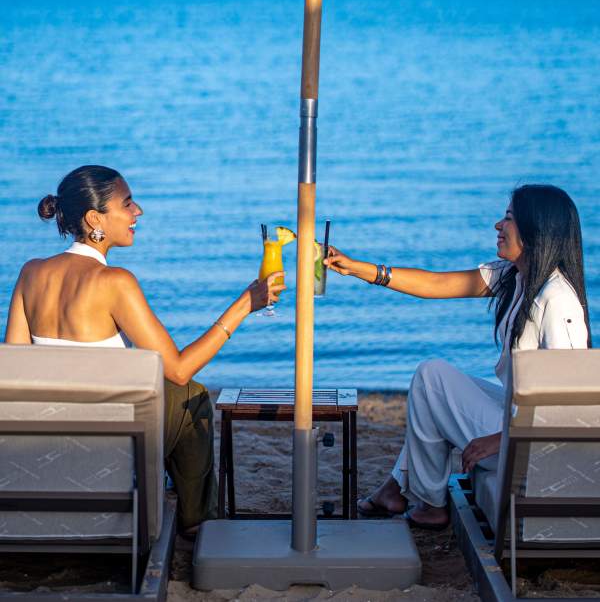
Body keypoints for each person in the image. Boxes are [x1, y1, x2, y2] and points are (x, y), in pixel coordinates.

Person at [4, 164, 286, 535]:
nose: (138, 212)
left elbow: (15, 369)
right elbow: (180, 369)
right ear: (94, 218)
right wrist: (244, 305)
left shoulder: (31, 273)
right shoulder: (113, 282)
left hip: (47, 447)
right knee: (191, 396)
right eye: (128, 203)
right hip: (108, 453)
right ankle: (197, 522)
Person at [324, 184, 591, 530]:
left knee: (430, 381)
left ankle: (425, 502)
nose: (498, 225)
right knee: (434, 377)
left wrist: (500, 438)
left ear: (535, 228)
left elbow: (569, 405)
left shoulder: (557, 300)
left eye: (508, 218)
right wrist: (358, 268)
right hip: (516, 420)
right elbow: (436, 285)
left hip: (532, 445)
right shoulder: (517, 277)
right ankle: (401, 488)